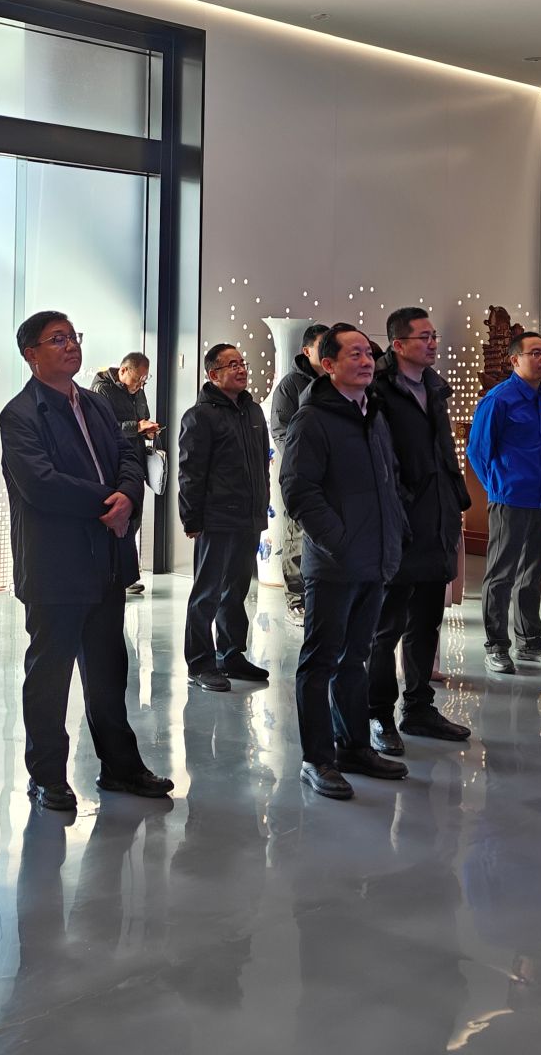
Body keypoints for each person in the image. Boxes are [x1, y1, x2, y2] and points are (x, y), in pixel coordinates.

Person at [0, 310, 174, 812]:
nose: (70, 345)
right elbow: (40, 483)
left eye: (72, 336)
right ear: (31, 354)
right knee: (50, 675)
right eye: (57, 339)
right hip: (55, 565)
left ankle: (120, 767)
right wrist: (108, 503)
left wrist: (128, 495)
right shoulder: (20, 414)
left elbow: (128, 455)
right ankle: (47, 777)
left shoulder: (96, 403)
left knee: (108, 671)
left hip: (106, 561)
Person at [281, 324, 407, 801]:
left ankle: (354, 746)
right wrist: (339, 540)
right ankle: (317, 759)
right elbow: (298, 491)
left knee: (356, 658)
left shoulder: (372, 413)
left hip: (375, 559)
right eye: (354, 354)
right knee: (320, 662)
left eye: (368, 353)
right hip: (335, 564)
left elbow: (389, 480)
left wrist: (395, 533)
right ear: (328, 364)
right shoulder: (312, 419)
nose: (366, 360)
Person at [366, 309, 472, 754]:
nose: (432, 343)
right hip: (400, 526)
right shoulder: (379, 391)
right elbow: (383, 462)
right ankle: (378, 715)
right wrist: (401, 507)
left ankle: (419, 708)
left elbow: (443, 454)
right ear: (398, 344)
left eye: (434, 336)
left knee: (427, 622)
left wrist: (455, 500)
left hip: (437, 521)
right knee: (385, 628)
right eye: (423, 337)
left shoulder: (434, 388)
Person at [467, 331, 541, 675]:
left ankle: (530, 641)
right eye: (535, 353)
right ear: (514, 360)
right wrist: (498, 486)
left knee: (533, 571)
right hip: (510, 498)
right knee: (501, 574)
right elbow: (478, 451)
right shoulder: (498, 400)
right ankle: (496, 645)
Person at [177, 342, 271, 692]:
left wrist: (262, 505)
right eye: (232, 365)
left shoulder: (253, 411)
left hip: (249, 517)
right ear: (213, 374)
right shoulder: (199, 416)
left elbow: (262, 464)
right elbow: (190, 472)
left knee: (237, 591)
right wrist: (192, 519)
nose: (241, 369)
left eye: (242, 363)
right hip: (216, 519)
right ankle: (200, 663)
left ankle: (231, 654)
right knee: (207, 593)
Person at [269, 322, 329, 623]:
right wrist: (304, 462)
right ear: (307, 351)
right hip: (302, 473)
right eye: (323, 344)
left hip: (332, 475)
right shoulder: (290, 385)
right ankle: (296, 599)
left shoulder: (335, 380)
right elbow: (281, 432)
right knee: (296, 536)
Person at [91, 352, 161, 597]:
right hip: (112, 464)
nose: (140, 385)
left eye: (144, 380)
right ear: (123, 371)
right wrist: (137, 427)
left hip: (135, 462)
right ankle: (114, 575)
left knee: (133, 518)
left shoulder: (138, 390)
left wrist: (148, 429)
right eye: (137, 379)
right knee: (117, 519)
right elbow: (102, 429)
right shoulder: (102, 389)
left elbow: (142, 417)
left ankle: (125, 573)